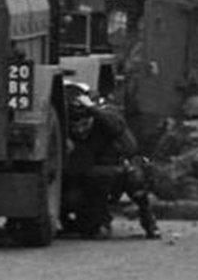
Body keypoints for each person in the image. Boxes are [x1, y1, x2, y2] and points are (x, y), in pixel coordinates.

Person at [62, 85, 160, 239]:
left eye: (84, 124)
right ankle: (94, 222)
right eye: (76, 126)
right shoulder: (67, 132)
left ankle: (149, 221)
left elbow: (116, 125)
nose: (80, 130)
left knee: (135, 177)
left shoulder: (107, 117)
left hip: (119, 171)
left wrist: (92, 109)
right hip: (90, 177)